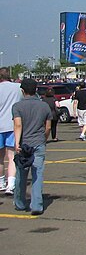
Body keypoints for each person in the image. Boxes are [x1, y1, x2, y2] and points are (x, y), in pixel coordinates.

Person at [12, 78, 52, 215]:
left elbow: (18, 125)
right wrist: (44, 139)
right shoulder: (44, 106)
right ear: (36, 90)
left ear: (22, 91)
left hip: (23, 144)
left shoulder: (17, 107)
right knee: (37, 174)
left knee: (21, 175)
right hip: (38, 143)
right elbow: (48, 127)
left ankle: (20, 202)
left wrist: (17, 143)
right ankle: (37, 205)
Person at [0, 67, 23, 195]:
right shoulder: (17, 88)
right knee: (12, 156)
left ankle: (1, 182)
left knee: (0, 158)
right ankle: (11, 184)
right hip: (13, 124)